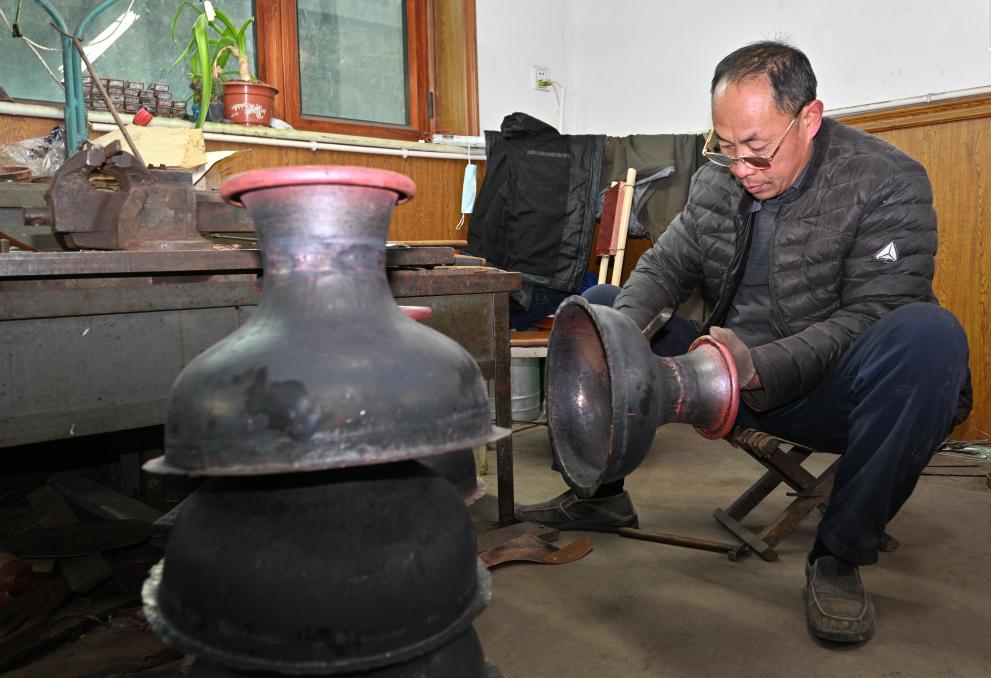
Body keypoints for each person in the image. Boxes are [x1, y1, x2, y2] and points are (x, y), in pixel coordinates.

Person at [515, 41, 972, 644]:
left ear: (808, 118)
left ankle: (838, 556)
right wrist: (623, 338)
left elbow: (876, 311)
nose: (740, 168)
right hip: (726, 373)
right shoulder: (717, 181)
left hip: (830, 390)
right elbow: (663, 270)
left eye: (756, 149)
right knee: (602, 311)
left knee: (929, 336)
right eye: (725, 148)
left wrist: (755, 366)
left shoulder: (886, 181)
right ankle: (601, 493)